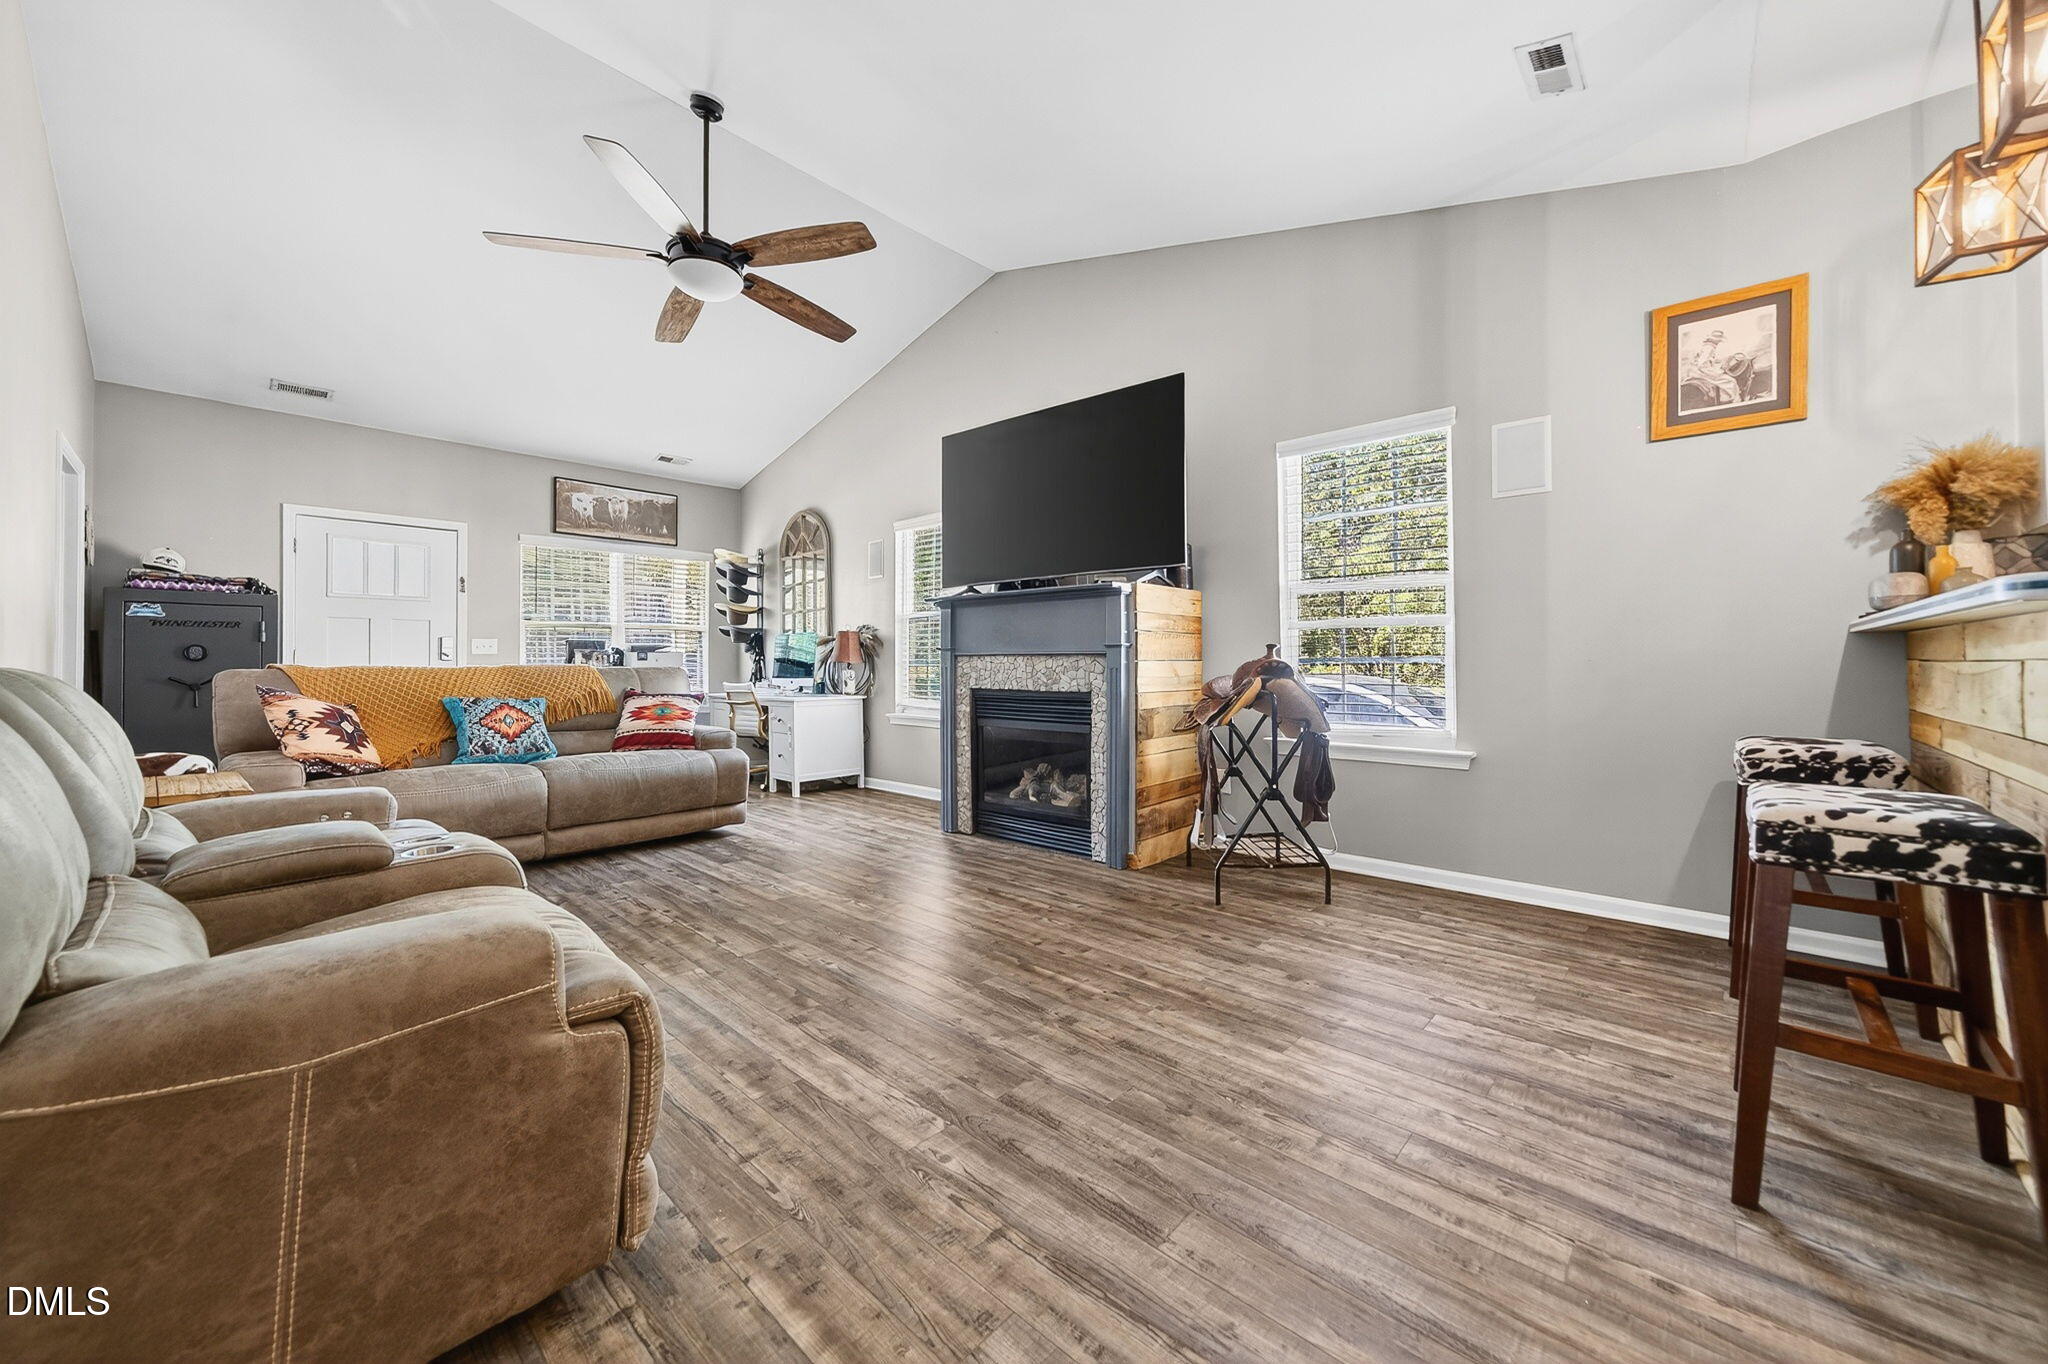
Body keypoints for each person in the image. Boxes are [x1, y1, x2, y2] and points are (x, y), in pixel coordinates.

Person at [1681, 328, 1742, 406]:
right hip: (1701, 372)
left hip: (1697, 370)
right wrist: (1715, 372)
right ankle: (1729, 401)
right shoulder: (1709, 348)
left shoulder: (1708, 346)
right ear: (1715, 340)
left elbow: (1707, 361)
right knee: (1730, 381)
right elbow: (1701, 364)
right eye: (1718, 340)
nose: (1719, 342)